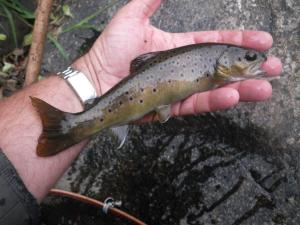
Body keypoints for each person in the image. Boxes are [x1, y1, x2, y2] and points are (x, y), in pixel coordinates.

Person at [0, 0, 282, 224]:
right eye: (248, 58)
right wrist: (94, 73)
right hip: (133, 95)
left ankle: (72, 124)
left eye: (250, 58)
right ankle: (71, 125)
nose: (255, 61)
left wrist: (91, 76)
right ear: (225, 61)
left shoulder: (217, 71)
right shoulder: (215, 69)